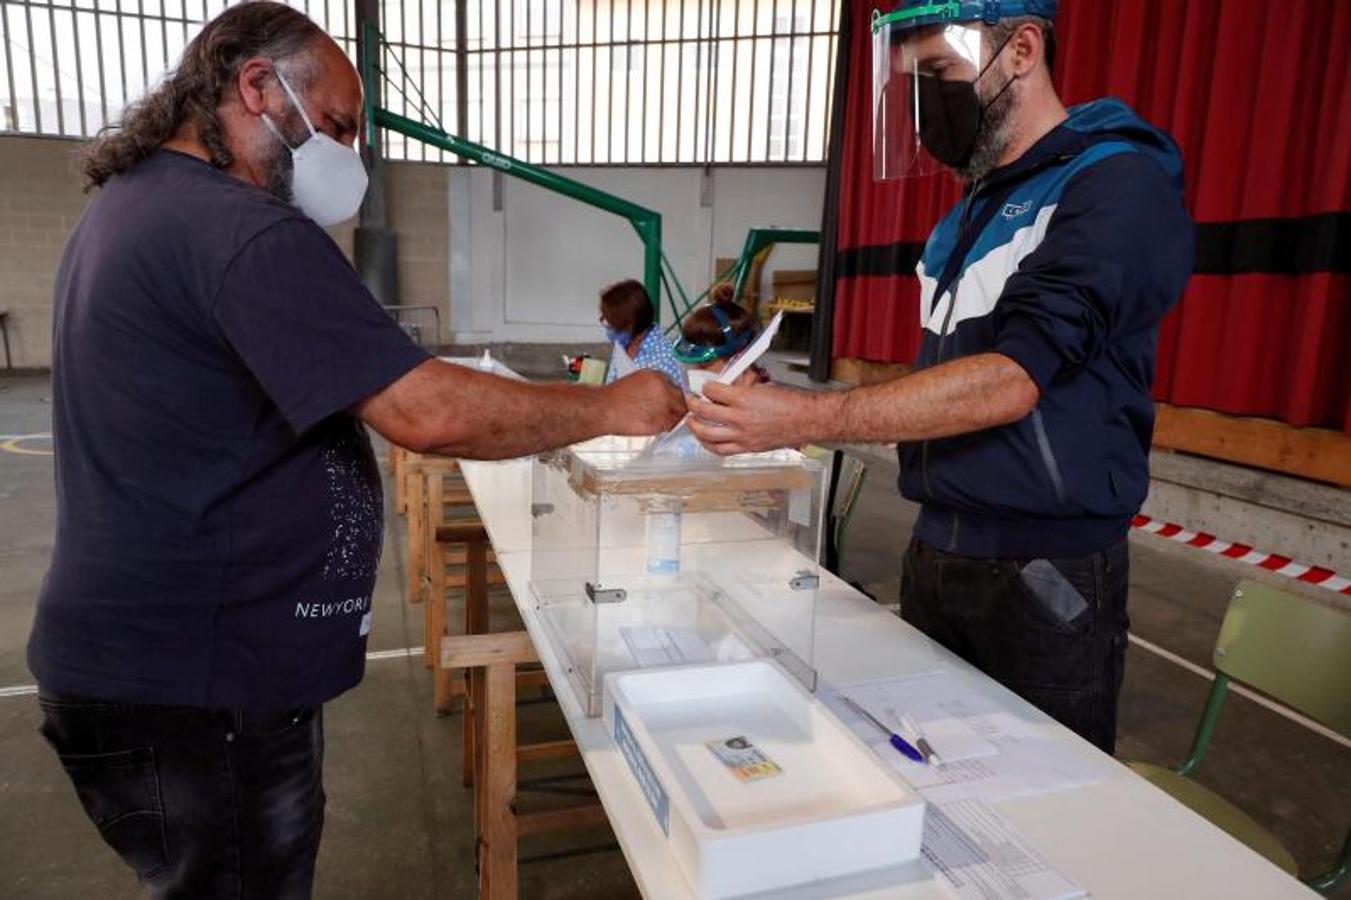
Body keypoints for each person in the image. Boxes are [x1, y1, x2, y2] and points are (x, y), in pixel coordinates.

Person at [27, 4, 682, 897]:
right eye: (336, 125)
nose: (348, 153)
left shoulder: (138, 208)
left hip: (165, 667)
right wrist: (612, 405)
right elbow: (426, 412)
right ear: (256, 87)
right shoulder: (236, 228)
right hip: (202, 683)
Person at [687, 0, 1194, 753]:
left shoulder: (1113, 183)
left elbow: (1007, 381)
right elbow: (942, 385)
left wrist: (804, 418)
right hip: (935, 549)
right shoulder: (967, 214)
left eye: (938, 73)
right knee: (928, 779)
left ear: (1021, 49)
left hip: (1041, 568)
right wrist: (790, 400)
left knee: (1044, 801)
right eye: (911, 83)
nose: (926, 103)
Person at [671, 291, 768, 386]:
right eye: (690, 362)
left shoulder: (763, 397)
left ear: (739, 357)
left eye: (705, 361)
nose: (695, 370)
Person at [600, 278, 684, 386]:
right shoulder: (623, 345)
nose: (606, 326)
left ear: (629, 325)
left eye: (611, 323)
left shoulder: (665, 359)